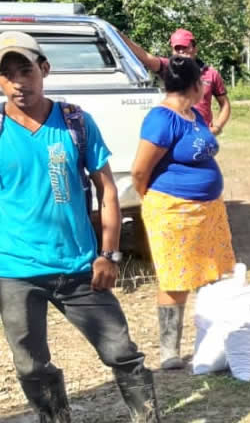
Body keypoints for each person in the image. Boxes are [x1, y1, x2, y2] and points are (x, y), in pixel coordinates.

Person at [0, 31, 159, 422]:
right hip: (16, 272)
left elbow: (107, 190)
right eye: (7, 74)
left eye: (26, 70)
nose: (18, 82)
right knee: (31, 367)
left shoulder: (75, 122)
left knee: (121, 352)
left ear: (45, 70)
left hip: (80, 268)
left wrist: (109, 254)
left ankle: (148, 417)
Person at [131, 56, 236, 371]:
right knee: (174, 275)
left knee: (212, 272)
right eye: (203, 81)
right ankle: (169, 352)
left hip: (208, 210)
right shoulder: (162, 119)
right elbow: (139, 172)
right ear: (195, 85)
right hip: (173, 209)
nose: (206, 86)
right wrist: (154, 201)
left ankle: (213, 342)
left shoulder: (193, 114)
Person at [121, 28, 232, 134]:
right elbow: (145, 56)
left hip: (202, 133)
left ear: (194, 48)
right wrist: (119, 36)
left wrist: (217, 127)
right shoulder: (168, 67)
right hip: (175, 133)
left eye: (184, 47)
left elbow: (225, 103)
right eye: (177, 48)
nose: (180, 51)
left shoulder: (211, 73)